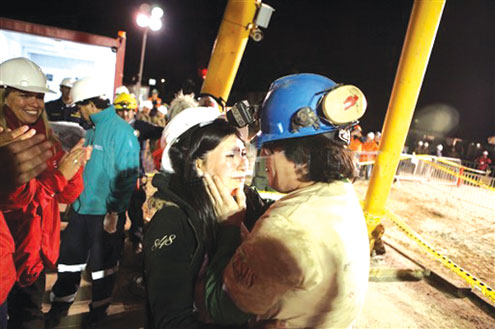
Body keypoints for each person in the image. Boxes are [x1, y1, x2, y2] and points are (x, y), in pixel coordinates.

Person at [202, 73, 370, 329]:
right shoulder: (342, 194)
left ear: (301, 154)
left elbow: (220, 308)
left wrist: (229, 226)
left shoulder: (285, 226)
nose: (263, 157)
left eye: (269, 148)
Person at [143, 107, 272, 328]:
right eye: (231, 155)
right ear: (198, 164)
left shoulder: (247, 201)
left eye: (243, 153)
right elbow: (173, 320)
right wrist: (229, 230)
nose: (245, 164)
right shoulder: (173, 221)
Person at [0, 57, 90, 329]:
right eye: (24, 94)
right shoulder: (5, 139)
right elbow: (16, 200)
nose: (35, 103)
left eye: (38, 96)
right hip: (12, 252)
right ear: (4, 96)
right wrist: (59, 177)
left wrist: (74, 171)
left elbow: (66, 195)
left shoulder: (48, 138)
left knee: (29, 318)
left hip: (35, 256)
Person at [46, 76, 140, 328]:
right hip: (81, 210)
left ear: (90, 104)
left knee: (103, 268)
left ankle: (98, 312)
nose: (78, 112)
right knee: (68, 262)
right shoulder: (90, 132)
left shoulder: (123, 133)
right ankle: (60, 304)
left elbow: (128, 176)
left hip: (105, 214)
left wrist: (115, 212)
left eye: (79, 107)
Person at [114, 92, 164, 252]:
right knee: (117, 212)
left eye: (128, 110)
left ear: (134, 110)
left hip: (135, 176)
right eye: (121, 111)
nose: (125, 114)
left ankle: (137, 241)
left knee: (136, 211)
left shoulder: (141, 127)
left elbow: (161, 131)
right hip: (114, 177)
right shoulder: (110, 127)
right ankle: (117, 242)